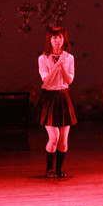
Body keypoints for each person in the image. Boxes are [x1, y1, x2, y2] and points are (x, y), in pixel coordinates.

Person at [37, 26, 77, 178]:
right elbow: (46, 80)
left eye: (60, 37)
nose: (57, 40)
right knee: (54, 137)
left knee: (64, 140)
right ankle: (49, 169)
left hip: (63, 96)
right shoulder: (43, 58)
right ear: (49, 40)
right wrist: (57, 65)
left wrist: (62, 65)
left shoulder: (69, 57)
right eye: (54, 37)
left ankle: (59, 169)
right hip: (49, 97)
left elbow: (69, 80)